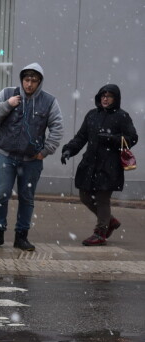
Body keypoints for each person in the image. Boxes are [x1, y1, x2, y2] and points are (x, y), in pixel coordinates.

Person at [0, 63, 64, 251]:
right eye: (26, 80)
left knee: (26, 199)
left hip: (32, 161)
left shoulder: (49, 101)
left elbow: (58, 128)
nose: (29, 84)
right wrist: (8, 105)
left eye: (34, 81)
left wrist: (46, 151)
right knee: (0, 196)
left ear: (39, 82)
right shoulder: (7, 93)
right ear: (22, 80)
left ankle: (21, 237)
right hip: (6, 157)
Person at [60, 84, 138, 246]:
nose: (105, 98)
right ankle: (110, 221)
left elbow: (132, 138)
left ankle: (100, 231)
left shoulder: (122, 116)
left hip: (110, 165)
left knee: (102, 198)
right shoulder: (92, 115)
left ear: (115, 99)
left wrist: (112, 139)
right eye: (103, 95)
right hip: (90, 163)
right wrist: (69, 150)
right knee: (84, 196)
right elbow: (81, 137)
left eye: (109, 96)